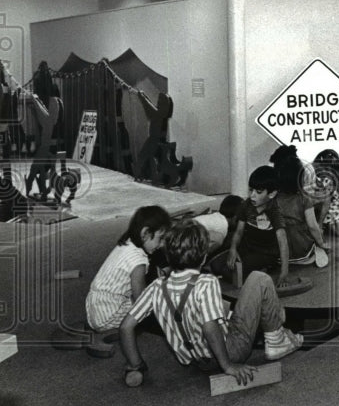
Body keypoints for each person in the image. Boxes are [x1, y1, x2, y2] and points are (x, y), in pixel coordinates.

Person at [119, 221, 302, 387]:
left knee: (217, 306)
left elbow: (126, 327)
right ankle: (277, 340)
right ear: (204, 257)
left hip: (197, 360)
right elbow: (209, 327)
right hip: (229, 351)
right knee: (259, 279)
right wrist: (228, 366)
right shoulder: (206, 282)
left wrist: (136, 364)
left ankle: (273, 316)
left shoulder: (157, 286)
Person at [85, 205, 171, 333]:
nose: (162, 244)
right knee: (152, 299)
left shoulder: (128, 243)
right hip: (108, 315)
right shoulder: (138, 262)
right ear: (145, 233)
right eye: (161, 238)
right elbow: (140, 301)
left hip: (95, 306)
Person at [225, 166, 285, 278]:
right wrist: (233, 249)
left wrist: (284, 273)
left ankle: (267, 267)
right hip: (248, 246)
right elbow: (238, 232)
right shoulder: (246, 205)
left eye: (258, 192)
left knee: (233, 274)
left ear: (271, 194)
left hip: (266, 253)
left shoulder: (275, 211)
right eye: (251, 190)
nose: (252, 195)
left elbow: (283, 243)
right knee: (218, 266)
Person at [274, 155, 329, 269]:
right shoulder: (304, 199)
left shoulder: (274, 199)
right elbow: (312, 226)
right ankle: (314, 251)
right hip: (301, 247)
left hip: (279, 250)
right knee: (316, 236)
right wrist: (321, 243)